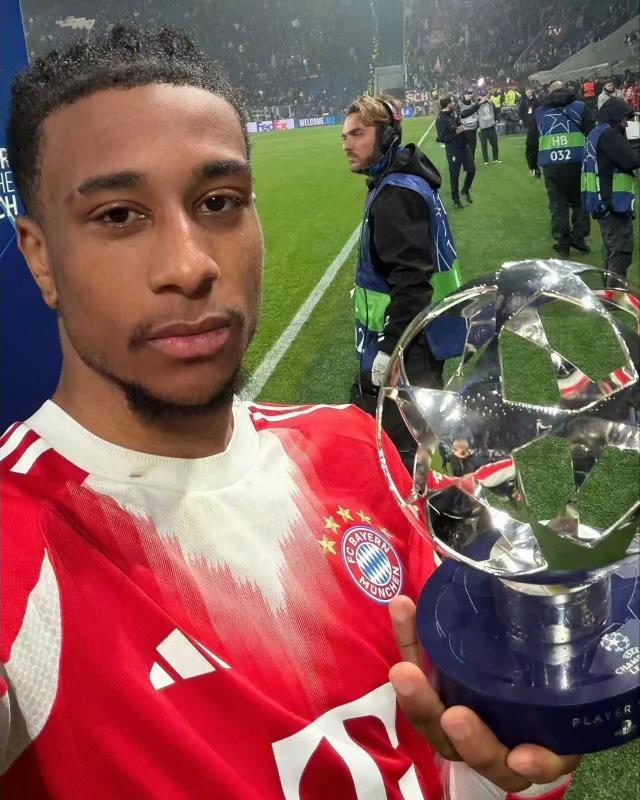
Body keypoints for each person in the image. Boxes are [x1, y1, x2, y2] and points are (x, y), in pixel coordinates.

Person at [2, 25, 579, 800]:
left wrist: (507, 756)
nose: (189, 265)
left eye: (219, 202)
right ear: (39, 255)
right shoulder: (20, 543)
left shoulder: (352, 447)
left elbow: (464, 745)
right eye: (118, 216)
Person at [342, 94, 459, 467]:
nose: (347, 144)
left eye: (358, 134)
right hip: (422, 337)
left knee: (405, 453)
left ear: (387, 135)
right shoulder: (403, 182)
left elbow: (412, 280)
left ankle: (435, 503)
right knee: (391, 435)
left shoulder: (395, 194)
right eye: (344, 136)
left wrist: (390, 349)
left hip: (408, 346)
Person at [529, 80, 593, 256]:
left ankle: (563, 243)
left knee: (558, 204)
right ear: (566, 89)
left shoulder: (540, 112)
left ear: (549, 92)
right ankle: (579, 237)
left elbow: (532, 141)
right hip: (577, 162)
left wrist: (532, 164)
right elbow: (592, 133)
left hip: (552, 165)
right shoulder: (580, 107)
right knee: (579, 201)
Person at [582, 98, 640, 283]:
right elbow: (631, 160)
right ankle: (615, 293)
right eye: (624, 119)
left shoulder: (596, 133)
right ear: (615, 117)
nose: (626, 123)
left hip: (600, 199)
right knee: (621, 249)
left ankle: (608, 292)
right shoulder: (609, 135)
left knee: (610, 248)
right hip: (613, 202)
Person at [436, 96, 477, 208]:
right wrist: (456, 133)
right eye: (452, 101)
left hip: (464, 146)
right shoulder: (441, 119)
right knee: (454, 175)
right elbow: (442, 138)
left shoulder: (454, 112)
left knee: (472, 170)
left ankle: (465, 189)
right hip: (453, 150)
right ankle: (456, 200)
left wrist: (478, 104)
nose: (454, 103)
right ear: (447, 103)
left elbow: (466, 113)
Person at [519, 88, 541, 177]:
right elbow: (520, 110)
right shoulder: (523, 101)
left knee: (533, 141)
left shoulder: (536, 100)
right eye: (527, 92)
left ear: (532, 92)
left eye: (530, 92)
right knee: (530, 135)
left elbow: (539, 109)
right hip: (527, 120)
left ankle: (535, 168)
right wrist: (521, 118)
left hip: (535, 121)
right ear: (525, 93)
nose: (529, 93)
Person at [477, 90, 501, 165]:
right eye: (482, 96)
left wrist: (496, 120)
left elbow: (496, 111)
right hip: (482, 128)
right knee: (484, 145)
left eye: (485, 95)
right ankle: (486, 160)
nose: (484, 97)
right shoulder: (477, 105)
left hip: (491, 126)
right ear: (479, 97)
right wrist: (477, 126)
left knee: (494, 144)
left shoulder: (491, 103)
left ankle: (495, 159)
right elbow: (475, 116)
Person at [458, 87, 480, 160]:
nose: (470, 95)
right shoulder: (459, 105)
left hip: (473, 129)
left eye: (471, 93)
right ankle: (465, 161)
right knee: (465, 147)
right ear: (464, 95)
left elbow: (477, 115)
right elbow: (458, 117)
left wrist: (478, 126)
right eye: (468, 93)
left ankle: (471, 160)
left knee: (473, 146)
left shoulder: (473, 104)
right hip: (464, 129)